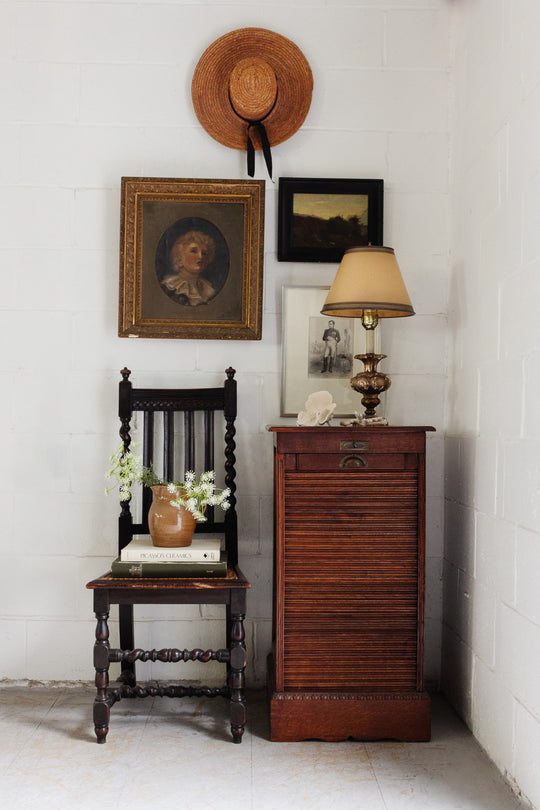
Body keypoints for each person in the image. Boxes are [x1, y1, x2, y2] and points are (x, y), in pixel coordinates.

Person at [162, 230, 216, 306]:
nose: (201, 257)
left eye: (204, 253)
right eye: (194, 251)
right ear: (179, 259)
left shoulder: (208, 290)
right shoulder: (170, 287)